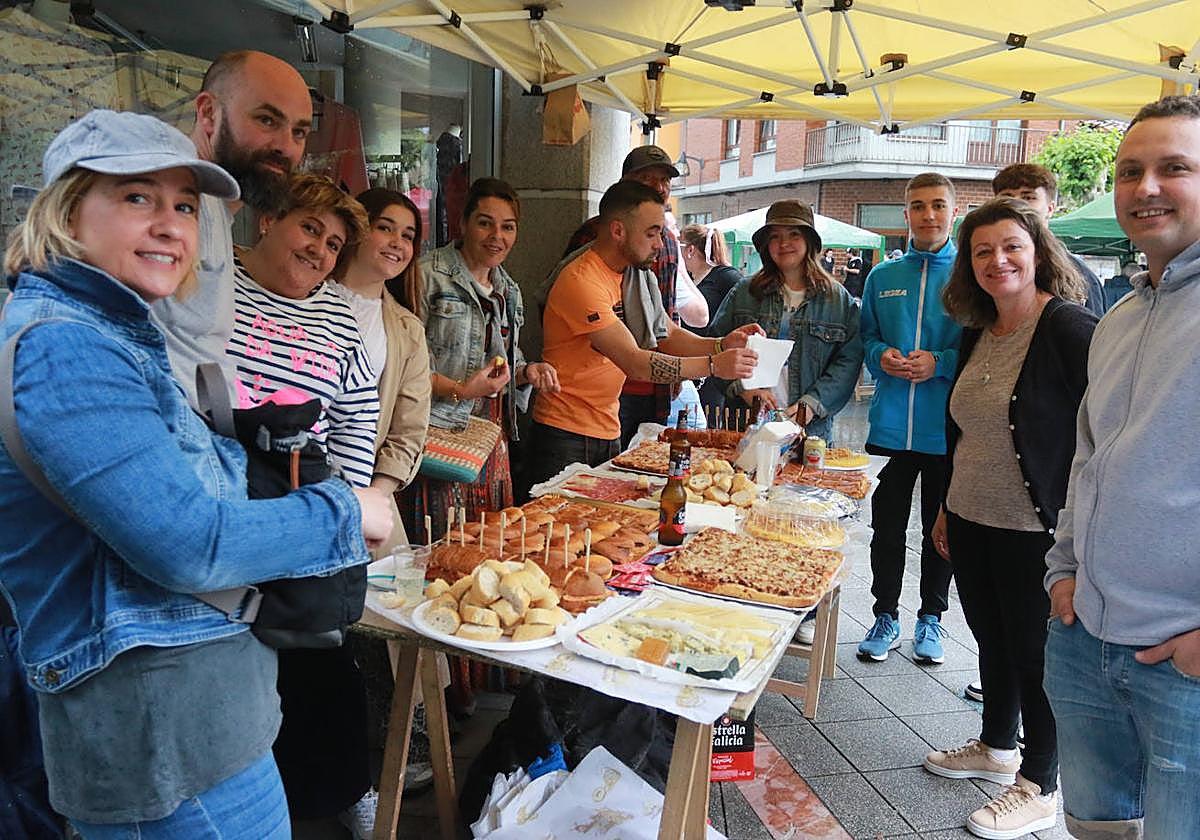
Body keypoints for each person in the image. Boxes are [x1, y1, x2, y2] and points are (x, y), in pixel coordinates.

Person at [0, 109, 390, 838]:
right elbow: (189, 542)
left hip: (192, 734)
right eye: (136, 197)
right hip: (163, 747)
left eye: (184, 205)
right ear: (65, 210)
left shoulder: (111, 331)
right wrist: (345, 510)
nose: (171, 224)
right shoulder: (66, 349)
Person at [1043, 95, 1200, 840]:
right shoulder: (1119, 317)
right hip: (1083, 641)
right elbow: (1090, 457)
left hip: (1186, 664)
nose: (1146, 188)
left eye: (1175, 168)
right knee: (1097, 831)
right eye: (1130, 170)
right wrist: (1062, 570)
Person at [922, 198, 1096, 839]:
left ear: (1038, 251)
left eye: (1011, 246)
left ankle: (1040, 783)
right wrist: (945, 505)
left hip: (1036, 532)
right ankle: (997, 748)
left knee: (1036, 656)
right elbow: (967, 432)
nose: (998, 261)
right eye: (982, 251)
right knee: (991, 641)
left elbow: (1102, 436)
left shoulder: (1069, 329)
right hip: (970, 517)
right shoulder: (977, 330)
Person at [529, 181, 761, 487]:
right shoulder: (581, 280)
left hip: (607, 426)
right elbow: (636, 363)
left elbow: (666, 333)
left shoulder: (634, 275)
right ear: (617, 231)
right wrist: (714, 365)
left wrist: (719, 344)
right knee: (559, 533)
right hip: (565, 433)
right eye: (651, 233)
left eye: (660, 234)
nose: (659, 244)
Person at [329, 188, 434, 833]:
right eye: (383, 227)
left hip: (372, 498)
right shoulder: (303, 298)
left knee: (390, 629)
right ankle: (335, 770)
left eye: (408, 234)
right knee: (321, 637)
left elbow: (410, 423)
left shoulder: (405, 327)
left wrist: (382, 487)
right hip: (301, 495)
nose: (395, 242)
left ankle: (402, 747)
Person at [152, 49, 313, 408]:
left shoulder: (213, 209)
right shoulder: (175, 205)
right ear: (208, 113)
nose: (286, 147)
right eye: (268, 121)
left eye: (299, 132)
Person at [410, 177, 559, 533]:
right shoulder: (427, 276)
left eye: (508, 227)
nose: (497, 236)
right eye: (485, 223)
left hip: (491, 434)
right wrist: (462, 389)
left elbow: (505, 358)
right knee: (441, 542)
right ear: (463, 224)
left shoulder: (508, 288)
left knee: (489, 541)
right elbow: (404, 369)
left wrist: (527, 371)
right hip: (441, 429)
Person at [858, 172, 961, 665]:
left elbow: (985, 346)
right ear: (906, 215)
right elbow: (867, 338)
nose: (928, 215)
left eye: (937, 205)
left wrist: (939, 363)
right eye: (918, 206)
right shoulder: (883, 277)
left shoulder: (969, 276)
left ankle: (932, 620)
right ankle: (884, 614)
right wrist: (882, 356)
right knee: (887, 528)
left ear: (953, 212)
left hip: (948, 430)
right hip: (889, 427)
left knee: (940, 531)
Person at [226, 173, 378, 488]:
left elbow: (356, 422)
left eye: (333, 245)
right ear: (268, 220)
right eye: (310, 228)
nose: (319, 250)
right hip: (208, 490)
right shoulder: (211, 274)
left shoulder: (339, 319)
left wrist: (346, 509)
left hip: (300, 505)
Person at [563, 145, 709, 444]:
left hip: (653, 383)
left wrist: (681, 367)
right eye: (647, 179)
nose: (658, 187)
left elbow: (664, 318)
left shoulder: (667, 241)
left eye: (664, 180)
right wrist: (713, 362)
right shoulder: (595, 242)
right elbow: (624, 352)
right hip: (600, 394)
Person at [709, 200, 863, 442]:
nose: (784, 244)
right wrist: (744, 388)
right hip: (744, 426)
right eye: (775, 236)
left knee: (803, 481)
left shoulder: (837, 299)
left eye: (794, 234)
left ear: (809, 241)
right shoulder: (744, 292)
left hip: (808, 433)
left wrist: (811, 405)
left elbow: (849, 361)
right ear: (765, 245)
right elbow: (716, 347)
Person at [991, 163, 1105, 316]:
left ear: (1050, 208)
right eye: (1007, 197)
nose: (1016, 204)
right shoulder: (985, 268)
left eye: (1028, 197)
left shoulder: (1081, 277)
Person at [679, 224, 743, 419]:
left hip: (714, 362)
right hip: (690, 357)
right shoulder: (690, 277)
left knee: (709, 417)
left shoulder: (727, 277)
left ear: (690, 250)